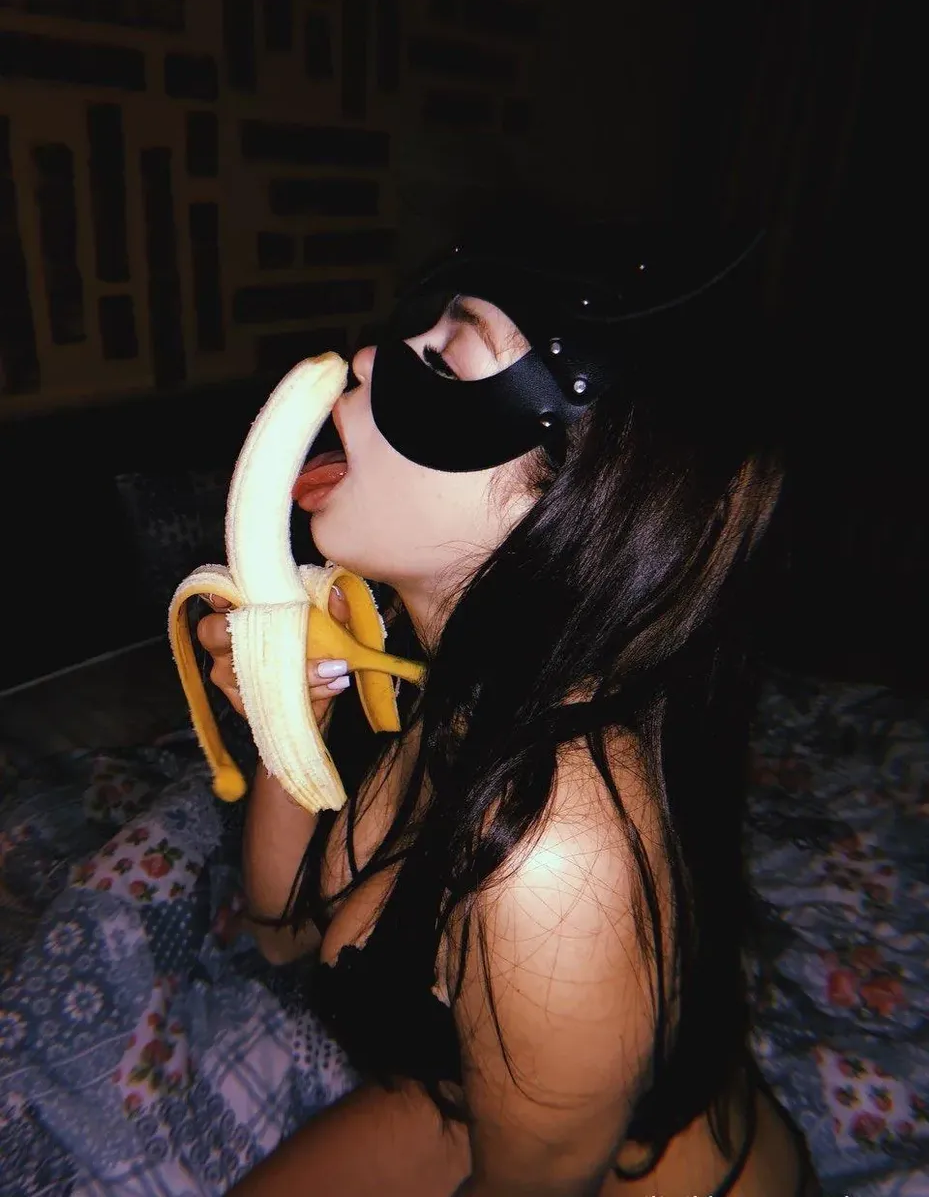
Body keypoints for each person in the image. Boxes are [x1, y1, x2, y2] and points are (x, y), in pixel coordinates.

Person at [198, 214, 821, 1196]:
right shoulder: (451, 687)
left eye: (448, 361)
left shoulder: (553, 861)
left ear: (574, 505)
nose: (365, 358)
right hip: (460, 1092)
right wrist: (288, 723)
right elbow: (279, 930)